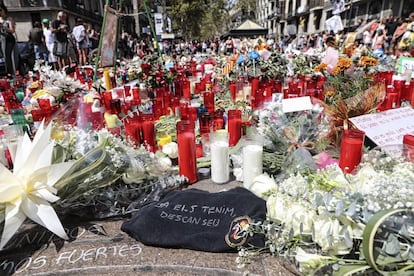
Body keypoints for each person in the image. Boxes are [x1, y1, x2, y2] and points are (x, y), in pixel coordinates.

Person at [0, 3, 18, 77]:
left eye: (0, 10)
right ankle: (8, 73)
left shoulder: (9, 19)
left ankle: (13, 72)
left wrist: (4, 27)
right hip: (1, 39)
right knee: (5, 57)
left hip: (8, 39)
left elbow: (12, 30)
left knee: (10, 56)